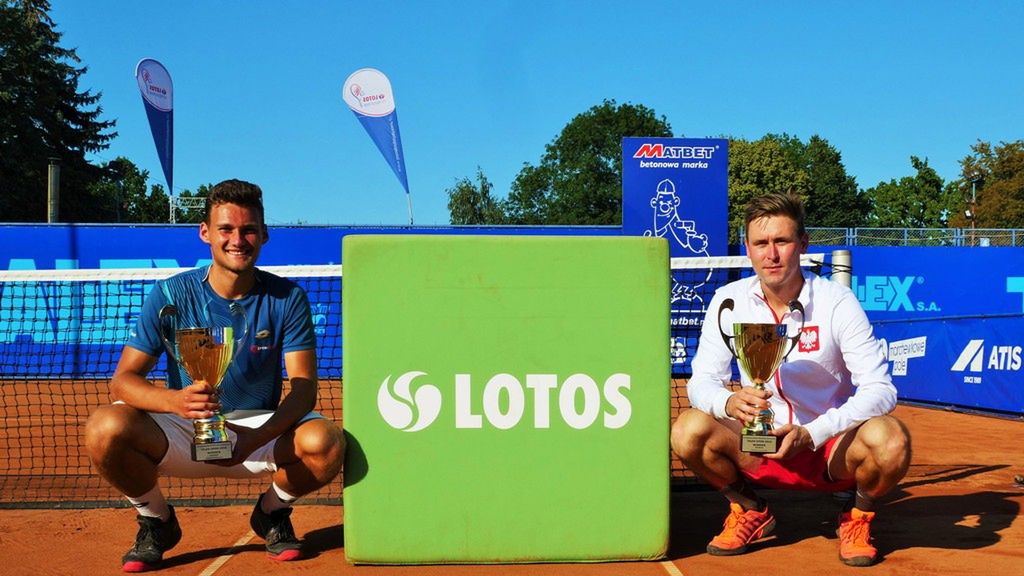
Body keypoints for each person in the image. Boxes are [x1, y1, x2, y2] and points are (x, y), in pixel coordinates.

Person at [84, 179, 345, 572]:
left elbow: (304, 389)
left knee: (325, 441)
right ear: (205, 233)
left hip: (258, 433)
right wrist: (175, 402)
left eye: (248, 230)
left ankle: (271, 513)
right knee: (104, 428)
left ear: (264, 234)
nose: (237, 240)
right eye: (226, 229)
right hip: (184, 428)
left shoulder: (288, 298)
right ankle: (156, 521)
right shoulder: (170, 295)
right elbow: (124, 380)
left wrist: (256, 437)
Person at [670, 192, 911, 567]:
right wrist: (728, 403)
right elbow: (701, 382)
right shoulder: (727, 300)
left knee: (892, 440)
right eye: (761, 243)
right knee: (687, 430)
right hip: (757, 446)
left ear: (802, 244)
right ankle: (750, 508)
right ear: (747, 248)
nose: (772, 254)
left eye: (781, 241)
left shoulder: (837, 301)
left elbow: (881, 390)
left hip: (831, 450)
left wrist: (814, 433)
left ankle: (857, 517)